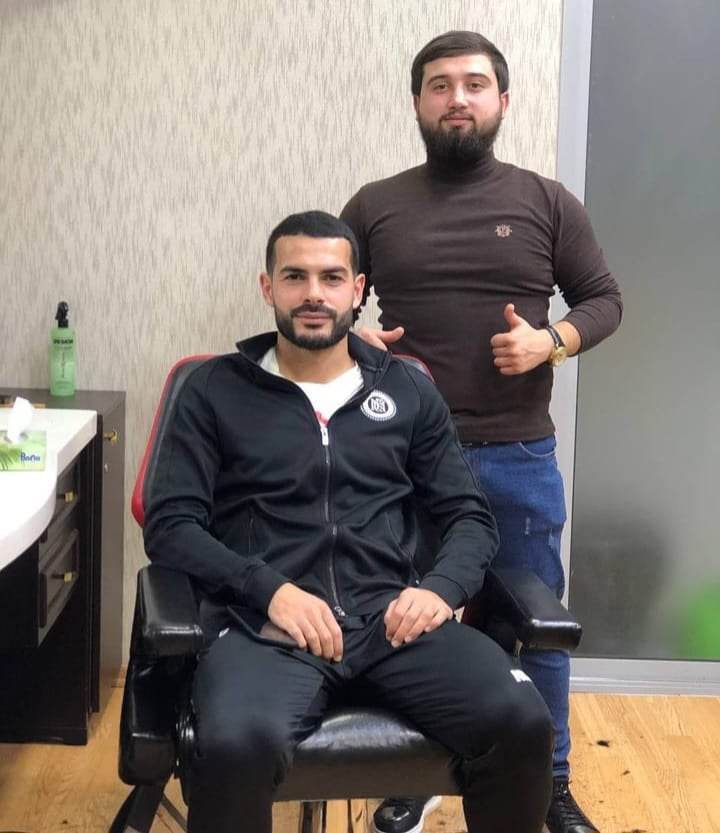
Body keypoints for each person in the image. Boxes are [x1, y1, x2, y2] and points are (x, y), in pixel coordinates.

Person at [143, 210, 555, 833]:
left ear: (357, 290)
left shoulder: (407, 391)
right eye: (295, 276)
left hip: (391, 621)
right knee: (234, 745)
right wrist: (269, 590)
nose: (314, 293)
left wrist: (440, 589)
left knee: (520, 722)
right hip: (265, 628)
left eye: (332, 277)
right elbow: (171, 526)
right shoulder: (213, 390)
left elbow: (469, 516)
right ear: (267, 287)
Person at [341, 31, 622, 833]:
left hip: (516, 455)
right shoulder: (373, 205)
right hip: (398, 461)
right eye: (439, 85)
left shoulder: (546, 201)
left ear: (502, 100)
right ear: (417, 103)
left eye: (473, 84)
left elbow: (604, 299)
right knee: (405, 621)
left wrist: (551, 340)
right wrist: (355, 340)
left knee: (534, 624)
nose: (456, 98)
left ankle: (550, 783)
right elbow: (325, 301)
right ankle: (414, 772)